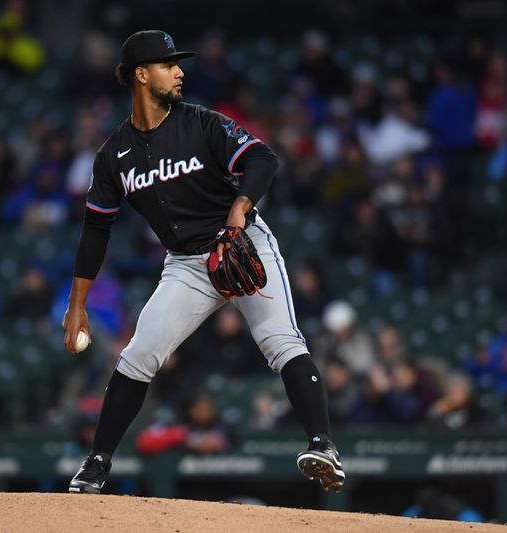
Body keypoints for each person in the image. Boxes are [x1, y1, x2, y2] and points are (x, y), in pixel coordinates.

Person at [63, 30, 344, 494]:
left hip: (241, 242)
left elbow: (263, 159)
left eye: (179, 64)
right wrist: (78, 303)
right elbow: (95, 230)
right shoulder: (114, 155)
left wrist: (240, 208)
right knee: (139, 354)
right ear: (140, 74)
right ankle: (96, 463)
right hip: (187, 265)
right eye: (168, 64)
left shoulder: (202, 123)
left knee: (279, 339)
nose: (179, 71)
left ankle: (323, 446)